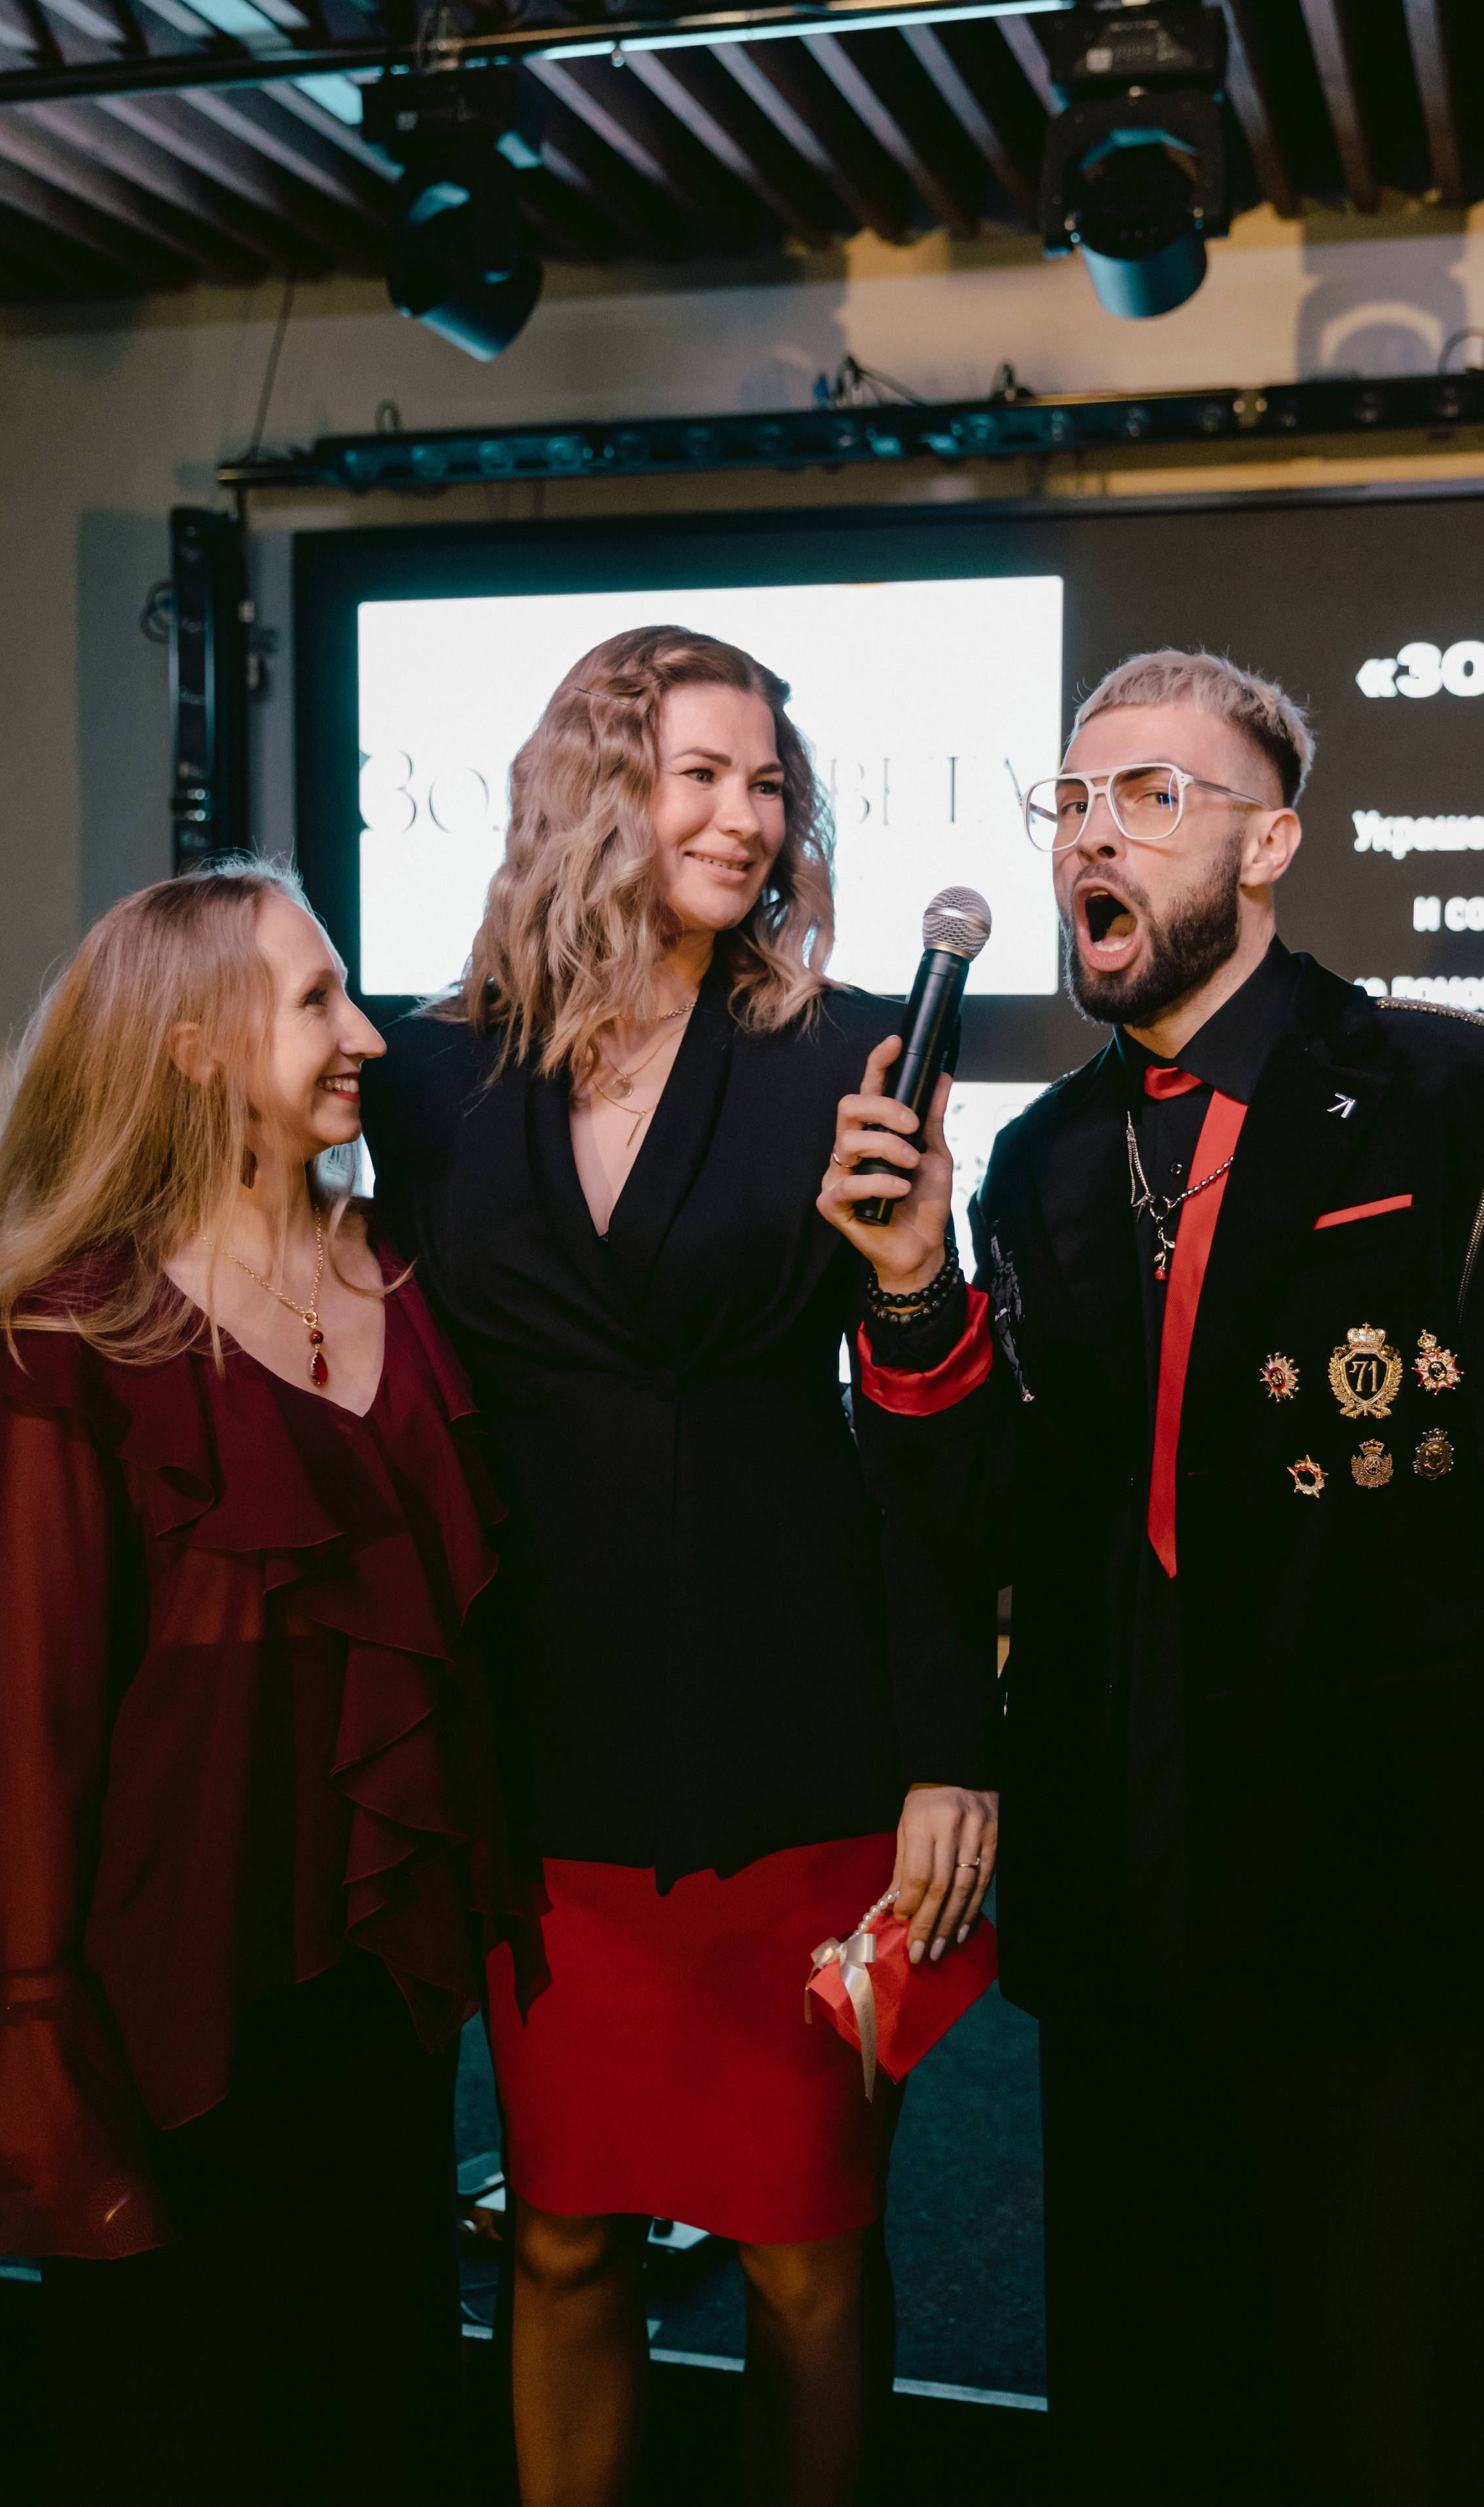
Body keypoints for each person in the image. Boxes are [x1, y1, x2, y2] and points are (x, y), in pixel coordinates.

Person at [819, 648, 1484, 2506]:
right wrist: (906, 1286)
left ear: (1270, 844)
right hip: (1137, 1923)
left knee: (1413, 2424)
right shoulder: (1039, 1165)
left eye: (1150, 796)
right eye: (1070, 801)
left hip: (1404, 1924)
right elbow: (1013, 1525)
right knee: (1163, 2415)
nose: (1089, 838)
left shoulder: (1481, 1108)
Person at [360, 624, 999, 2507]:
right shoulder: (422, 1075)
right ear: (594, 789)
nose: (746, 816)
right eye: (699, 773)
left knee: (808, 2257)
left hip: (796, 1739)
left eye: (769, 783)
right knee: (561, 2235)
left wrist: (952, 1738)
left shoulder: (853, 1052)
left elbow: (934, 1447)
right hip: (540, 1756)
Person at [0, 859, 542, 2507]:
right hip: (165, 2002)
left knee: (373, 2393)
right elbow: (26, 1741)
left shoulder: (406, 1274)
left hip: (379, 1995)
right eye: (313, 1000)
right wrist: (40, 2068)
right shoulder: (70, 1340)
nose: (364, 1033)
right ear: (185, 1049)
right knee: (191, 2422)